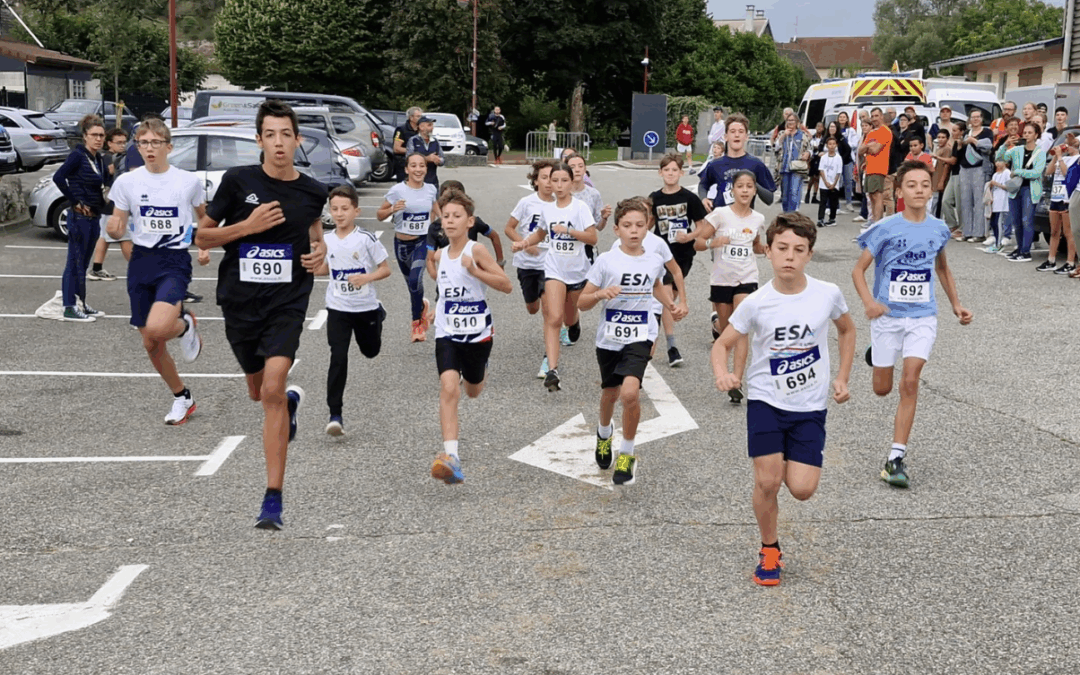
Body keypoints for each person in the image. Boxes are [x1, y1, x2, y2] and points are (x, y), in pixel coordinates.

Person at [195, 100, 329, 530]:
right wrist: (248, 227)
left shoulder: (312, 191)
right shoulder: (237, 182)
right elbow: (203, 236)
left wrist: (320, 253)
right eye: (269, 134)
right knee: (260, 393)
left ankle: (273, 498)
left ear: (297, 139)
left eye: (285, 134)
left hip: (287, 303)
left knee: (272, 383)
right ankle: (287, 404)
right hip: (240, 304)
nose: (278, 142)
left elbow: (315, 236)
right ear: (258, 140)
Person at [712, 212, 855, 586]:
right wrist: (723, 373)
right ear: (768, 252)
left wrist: (841, 377)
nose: (789, 256)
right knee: (767, 483)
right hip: (766, 402)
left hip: (810, 406)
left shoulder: (827, 293)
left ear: (809, 254)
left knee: (803, 490)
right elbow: (722, 344)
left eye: (799, 249)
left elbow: (848, 330)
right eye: (782, 248)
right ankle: (770, 549)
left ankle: (786, 459)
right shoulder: (757, 302)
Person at [852, 160, 972, 488]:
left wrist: (956, 305)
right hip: (887, 318)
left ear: (932, 189)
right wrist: (870, 304)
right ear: (899, 191)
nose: (919, 190)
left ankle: (895, 458)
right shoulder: (885, 228)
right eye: (911, 185)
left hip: (922, 316)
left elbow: (942, 268)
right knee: (882, 389)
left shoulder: (938, 229)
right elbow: (858, 272)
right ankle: (877, 353)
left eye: (924, 184)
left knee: (910, 381)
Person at [106, 118, 208, 425]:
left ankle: (186, 324)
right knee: (151, 343)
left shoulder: (188, 181)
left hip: (173, 260)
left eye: (155, 143)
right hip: (141, 261)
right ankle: (182, 396)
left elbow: (204, 218)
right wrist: (114, 227)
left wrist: (203, 245)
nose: (149, 149)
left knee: (159, 328)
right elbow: (117, 222)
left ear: (169, 147)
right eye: (143, 143)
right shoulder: (127, 182)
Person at [579, 198, 681, 486]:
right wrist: (600, 294)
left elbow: (657, 287)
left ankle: (627, 452)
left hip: (640, 335)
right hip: (609, 338)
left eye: (639, 225)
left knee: (630, 394)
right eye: (627, 226)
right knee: (610, 394)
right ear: (616, 230)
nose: (634, 231)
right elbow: (582, 303)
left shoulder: (653, 259)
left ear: (647, 226)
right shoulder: (606, 261)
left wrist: (671, 306)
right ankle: (603, 433)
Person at [429, 188, 512, 483]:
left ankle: (480, 372)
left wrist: (476, 271)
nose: (449, 221)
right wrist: (433, 310)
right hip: (447, 332)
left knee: (473, 391)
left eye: (456, 216)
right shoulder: (439, 254)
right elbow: (444, 290)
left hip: (478, 334)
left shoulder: (475, 251)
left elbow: (505, 285)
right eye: (446, 216)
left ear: (469, 221)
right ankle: (451, 455)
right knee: (449, 386)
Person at [511, 161, 598, 392]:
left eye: (563, 181)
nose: (558, 186)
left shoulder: (580, 208)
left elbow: (592, 238)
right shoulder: (547, 209)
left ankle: (575, 322)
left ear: (572, 183)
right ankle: (552, 369)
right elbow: (540, 233)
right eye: (554, 180)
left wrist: (569, 231)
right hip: (554, 269)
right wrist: (523, 243)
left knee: (569, 319)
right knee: (553, 317)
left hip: (577, 271)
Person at [315, 184, 390, 437]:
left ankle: (379, 314)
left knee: (371, 351)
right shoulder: (326, 240)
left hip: (365, 307)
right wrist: (313, 268)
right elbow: (327, 268)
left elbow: (385, 269)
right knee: (338, 356)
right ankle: (335, 414)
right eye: (334, 209)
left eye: (344, 209)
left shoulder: (365, 239)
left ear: (355, 211)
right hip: (337, 307)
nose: (339, 214)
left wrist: (366, 278)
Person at [704, 170, 766, 404]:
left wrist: (767, 250)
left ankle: (737, 379)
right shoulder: (720, 214)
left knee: (741, 328)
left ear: (754, 190)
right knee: (726, 327)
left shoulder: (758, 219)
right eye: (740, 186)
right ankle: (716, 325)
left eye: (749, 186)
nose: (745, 190)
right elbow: (700, 241)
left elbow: (756, 246)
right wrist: (714, 242)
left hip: (746, 278)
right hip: (721, 279)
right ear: (733, 190)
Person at [648, 154, 707, 366]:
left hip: (682, 253)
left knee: (667, 298)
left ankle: (665, 341)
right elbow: (648, 224)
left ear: (681, 173)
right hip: (661, 254)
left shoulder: (689, 198)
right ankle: (671, 346)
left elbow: (701, 226)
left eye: (674, 170)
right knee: (666, 297)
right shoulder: (654, 198)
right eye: (667, 170)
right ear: (660, 173)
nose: (670, 174)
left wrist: (689, 237)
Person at [376, 152, 441, 342]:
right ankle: (421, 307)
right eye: (413, 165)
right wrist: (392, 209)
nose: (418, 169)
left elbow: (437, 212)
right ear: (406, 169)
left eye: (421, 165)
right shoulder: (397, 190)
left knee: (415, 281)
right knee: (412, 286)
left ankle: (417, 325)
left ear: (426, 169)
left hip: (422, 241)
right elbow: (379, 215)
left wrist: (446, 225)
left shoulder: (430, 189)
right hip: (401, 244)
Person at [53, 114, 108, 322]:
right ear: (85, 136)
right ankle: (68, 306)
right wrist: (75, 200)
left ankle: (80, 302)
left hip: (94, 216)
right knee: (73, 262)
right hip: (79, 217)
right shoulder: (77, 156)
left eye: (101, 135)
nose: (98, 139)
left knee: (83, 264)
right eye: (94, 135)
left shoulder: (98, 159)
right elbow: (59, 176)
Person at [505, 159, 557, 377]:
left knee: (549, 312)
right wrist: (525, 245)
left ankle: (549, 359)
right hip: (527, 264)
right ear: (535, 181)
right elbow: (509, 228)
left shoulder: (562, 204)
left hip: (551, 265)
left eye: (552, 178)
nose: (548, 183)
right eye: (543, 178)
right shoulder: (527, 202)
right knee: (532, 308)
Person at [425, 180, 505, 273]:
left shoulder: (474, 222)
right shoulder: (435, 227)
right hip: (448, 275)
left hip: (472, 274)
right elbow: (430, 259)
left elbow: (494, 235)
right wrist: (438, 279)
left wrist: (500, 262)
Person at [701, 113, 775, 211]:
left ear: (746, 136)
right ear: (725, 137)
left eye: (741, 131)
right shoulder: (715, 164)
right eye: (732, 131)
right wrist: (704, 198)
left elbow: (769, 199)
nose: (737, 135)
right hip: (720, 219)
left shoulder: (756, 164)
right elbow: (703, 185)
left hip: (744, 220)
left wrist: (752, 183)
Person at [998, 122, 1046, 262]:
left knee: (1027, 220)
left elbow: (1036, 173)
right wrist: (1005, 145)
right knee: (1017, 221)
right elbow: (1000, 159)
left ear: (1036, 135)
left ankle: (1026, 251)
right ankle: (1019, 248)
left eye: (1030, 133)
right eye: (1025, 132)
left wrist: (1017, 171)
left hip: (1030, 189)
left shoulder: (1040, 152)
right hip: (1016, 188)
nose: (1026, 135)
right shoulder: (1017, 149)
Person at [88, 129, 132, 282]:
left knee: (104, 236)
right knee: (124, 236)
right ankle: (137, 269)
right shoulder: (107, 158)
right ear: (109, 143)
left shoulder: (114, 157)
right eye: (118, 142)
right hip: (113, 202)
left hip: (109, 202)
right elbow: (109, 175)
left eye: (124, 142)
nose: (122, 145)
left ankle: (97, 268)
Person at [1039, 137, 1079, 274]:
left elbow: (1066, 173)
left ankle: (1070, 261)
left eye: (1069, 145)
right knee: (1054, 231)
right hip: (1056, 196)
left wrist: (1061, 157)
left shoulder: (1076, 159)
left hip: (1067, 196)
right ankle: (1051, 259)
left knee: (1069, 232)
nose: (1067, 147)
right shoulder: (1062, 158)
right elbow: (1048, 172)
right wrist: (1056, 157)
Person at [957, 109, 993, 242]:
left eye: (978, 117)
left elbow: (989, 147)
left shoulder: (987, 132)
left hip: (979, 168)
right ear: (970, 119)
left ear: (982, 119)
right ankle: (967, 232)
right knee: (965, 200)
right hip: (965, 168)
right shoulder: (967, 132)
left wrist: (974, 141)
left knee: (978, 201)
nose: (975, 119)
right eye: (973, 117)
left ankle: (978, 233)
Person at [858, 108, 892, 229]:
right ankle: (874, 220)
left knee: (877, 195)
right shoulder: (871, 133)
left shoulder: (885, 131)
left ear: (881, 116)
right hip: (869, 168)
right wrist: (868, 146)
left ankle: (877, 223)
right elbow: (860, 150)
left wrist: (868, 147)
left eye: (876, 115)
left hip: (879, 167)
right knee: (871, 195)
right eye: (872, 116)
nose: (874, 118)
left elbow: (876, 149)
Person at [775, 113, 810, 212]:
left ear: (797, 122)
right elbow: (776, 147)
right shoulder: (782, 133)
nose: (790, 122)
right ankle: (786, 214)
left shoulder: (802, 135)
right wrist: (784, 135)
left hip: (797, 167)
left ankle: (793, 214)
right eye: (788, 120)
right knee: (785, 195)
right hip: (784, 167)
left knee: (794, 192)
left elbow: (809, 147)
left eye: (792, 120)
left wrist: (807, 153)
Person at [941, 120, 966, 238]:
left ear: (962, 132)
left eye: (955, 131)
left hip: (961, 173)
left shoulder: (962, 143)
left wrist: (938, 157)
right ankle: (953, 225)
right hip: (953, 173)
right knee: (946, 201)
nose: (953, 133)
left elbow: (953, 160)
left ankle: (962, 227)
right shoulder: (955, 144)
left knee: (960, 203)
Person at [405, 115, 444, 189]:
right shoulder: (413, 140)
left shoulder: (435, 141)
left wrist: (438, 160)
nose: (432, 128)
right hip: (416, 182)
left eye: (432, 125)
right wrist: (426, 159)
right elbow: (408, 159)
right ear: (421, 127)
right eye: (429, 125)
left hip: (432, 182)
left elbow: (443, 159)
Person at [984, 158, 1012, 254]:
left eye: (1000, 163)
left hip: (1003, 202)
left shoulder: (1007, 173)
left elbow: (1008, 187)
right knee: (993, 223)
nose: (998, 165)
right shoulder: (995, 175)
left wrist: (996, 184)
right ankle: (996, 242)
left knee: (999, 223)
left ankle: (999, 243)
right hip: (995, 202)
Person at [816, 136, 842, 226]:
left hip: (834, 184)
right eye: (830, 144)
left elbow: (839, 172)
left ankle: (832, 218)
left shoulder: (838, 158)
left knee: (833, 202)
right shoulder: (823, 157)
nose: (831, 146)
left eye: (833, 144)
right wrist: (826, 182)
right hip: (824, 184)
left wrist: (834, 184)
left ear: (836, 145)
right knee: (823, 202)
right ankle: (820, 218)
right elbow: (821, 170)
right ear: (827, 146)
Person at [392, 106, 422, 181]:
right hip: (404, 163)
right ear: (411, 118)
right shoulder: (401, 129)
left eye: (421, 116)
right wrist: (413, 151)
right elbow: (396, 148)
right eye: (418, 116)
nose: (420, 118)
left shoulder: (421, 130)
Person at [836, 112, 858, 211]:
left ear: (847, 119)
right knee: (836, 181)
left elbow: (855, 143)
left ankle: (849, 202)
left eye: (844, 117)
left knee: (848, 181)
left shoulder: (851, 130)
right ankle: (835, 204)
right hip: (836, 159)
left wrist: (845, 143)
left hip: (847, 159)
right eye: (840, 117)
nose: (842, 119)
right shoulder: (835, 129)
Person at [930, 129, 954, 220]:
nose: (940, 139)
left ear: (947, 139)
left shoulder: (947, 149)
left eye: (943, 137)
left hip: (940, 178)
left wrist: (942, 181)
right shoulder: (937, 149)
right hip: (934, 178)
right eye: (939, 137)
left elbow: (946, 166)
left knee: (938, 203)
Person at [805, 122, 826, 205]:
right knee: (812, 177)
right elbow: (809, 147)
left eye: (821, 127)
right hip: (813, 158)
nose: (819, 128)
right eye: (818, 126)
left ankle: (814, 196)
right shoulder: (812, 138)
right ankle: (808, 192)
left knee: (817, 177)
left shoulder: (824, 138)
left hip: (820, 158)